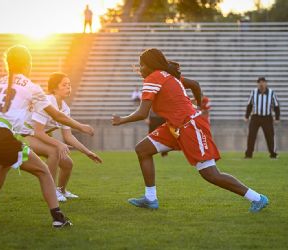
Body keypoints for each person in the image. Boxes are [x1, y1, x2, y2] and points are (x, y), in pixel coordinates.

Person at [112, 48, 269, 212]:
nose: (140, 69)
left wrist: (121, 120)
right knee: (143, 150)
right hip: (176, 125)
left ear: (151, 65)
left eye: (142, 65)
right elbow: (195, 85)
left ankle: (257, 198)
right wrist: (199, 107)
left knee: (210, 174)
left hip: (189, 126)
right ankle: (150, 199)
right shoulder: (168, 75)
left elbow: (142, 113)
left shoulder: (153, 78)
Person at [0, 45, 94, 228]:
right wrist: (81, 126)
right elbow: (57, 116)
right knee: (44, 172)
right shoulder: (31, 87)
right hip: (0, 136)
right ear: (28, 64)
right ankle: (58, 218)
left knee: (4, 164)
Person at [19, 72, 102, 202]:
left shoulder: (65, 108)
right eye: (64, 85)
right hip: (23, 136)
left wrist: (88, 152)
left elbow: (68, 136)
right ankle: (51, 191)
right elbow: (38, 132)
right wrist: (58, 144)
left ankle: (61, 190)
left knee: (68, 164)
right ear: (54, 88)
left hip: (36, 135)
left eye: (69, 85)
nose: (68, 87)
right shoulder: (46, 102)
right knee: (55, 151)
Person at [244, 77, 280, 159]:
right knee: (251, 136)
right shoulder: (253, 92)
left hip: (267, 117)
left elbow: (276, 106)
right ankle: (248, 154)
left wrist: (277, 117)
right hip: (255, 117)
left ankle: (273, 154)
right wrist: (246, 116)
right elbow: (249, 105)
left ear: (266, 83)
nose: (261, 84)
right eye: (259, 82)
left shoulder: (271, 92)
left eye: (263, 82)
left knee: (270, 136)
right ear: (257, 84)